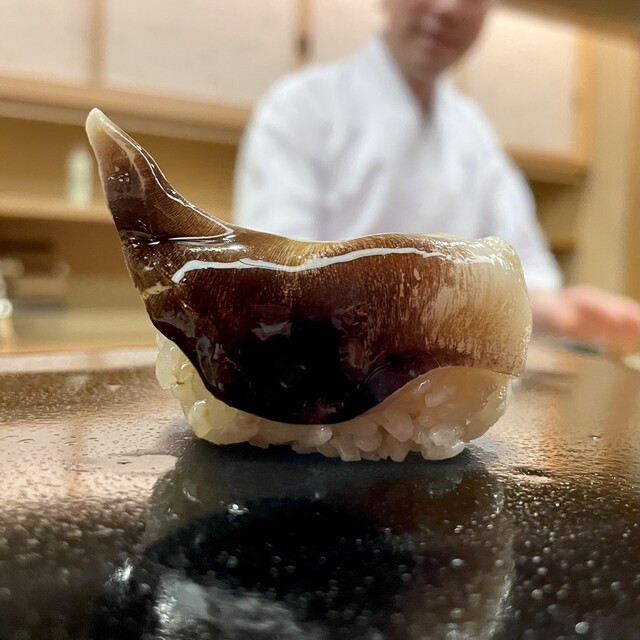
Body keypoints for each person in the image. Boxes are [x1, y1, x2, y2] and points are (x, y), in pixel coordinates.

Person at [234, 0, 640, 351]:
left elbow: (524, 269)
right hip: (327, 371)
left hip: (451, 386)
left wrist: (562, 313)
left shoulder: (474, 131)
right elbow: (280, 277)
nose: (447, 8)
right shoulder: (300, 107)